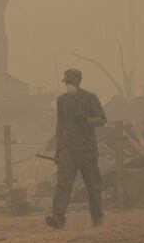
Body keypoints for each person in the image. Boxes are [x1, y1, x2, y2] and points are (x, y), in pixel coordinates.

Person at [45, 68, 107, 228]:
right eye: (67, 82)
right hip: (68, 149)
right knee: (63, 184)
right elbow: (59, 126)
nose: (69, 85)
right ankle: (58, 218)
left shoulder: (90, 98)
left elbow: (102, 120)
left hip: (87, 149)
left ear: (79, 81)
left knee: (93, 184)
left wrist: (86, 120)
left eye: (71, 82)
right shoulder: (61, 100)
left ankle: (97, 218)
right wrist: (58, 151)